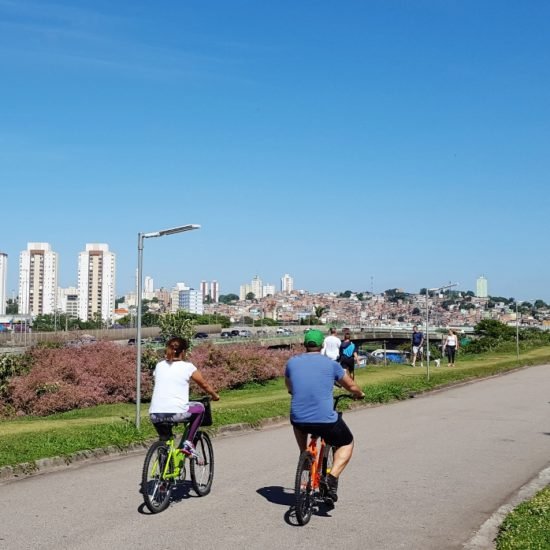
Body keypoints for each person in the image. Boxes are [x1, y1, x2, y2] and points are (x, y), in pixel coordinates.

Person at [285, 329, 365, 506]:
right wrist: (359, 394)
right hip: (324, 420)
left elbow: (289, 387)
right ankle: (332, 477)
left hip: (299, 417)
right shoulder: (331, 365)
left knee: (298, 423)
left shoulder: (291, 363)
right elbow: (350, 386)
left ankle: (303, 453)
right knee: (346, 442)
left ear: (305, 344)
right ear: (322, 345)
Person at [149, 336, 220, 456]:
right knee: (200, 408)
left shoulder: (159, 365)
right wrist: (214, 395)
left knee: (165, 440)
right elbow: (204, 385)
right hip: (177, 412)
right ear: (183, 351)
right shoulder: (188, 367)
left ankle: (164, 467)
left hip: (155, 413)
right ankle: (188, 443)